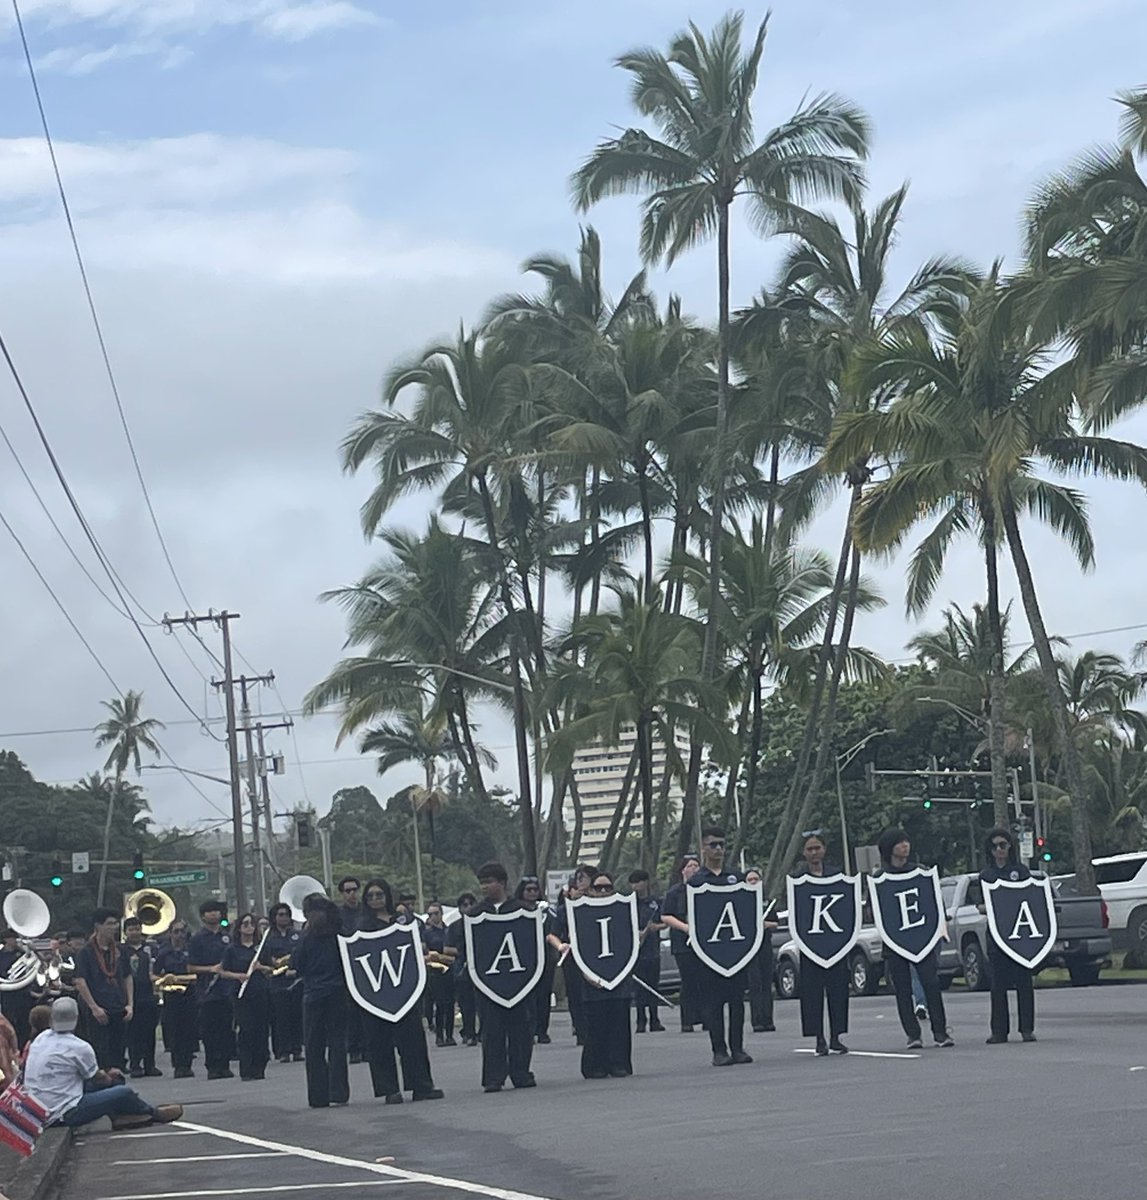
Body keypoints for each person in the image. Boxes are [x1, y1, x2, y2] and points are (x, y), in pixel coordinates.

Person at [23, 998, 182, 1131]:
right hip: (64, 1113)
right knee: (121, 1089)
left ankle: (122, 1117)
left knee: (109, 1086)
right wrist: (110, 1076)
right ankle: (152, 1113)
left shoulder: (41, 1039)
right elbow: (100, 1080)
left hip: (36, 1111)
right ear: (77, 1019)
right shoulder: (79, 1047)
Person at [357, 879, 444, 1103]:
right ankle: (389, 1089)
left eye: (379, 895)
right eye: (370, 896)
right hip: (376, 990)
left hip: (404, 988)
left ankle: (421, 1085)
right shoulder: (362, 927)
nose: (375, 899)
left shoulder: (402, 923)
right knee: (379, 1041)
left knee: (413, 1039)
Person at [876, 828, 953, 1049]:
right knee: (902, 989)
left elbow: (933, 902)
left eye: (906, 842)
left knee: (931, 983)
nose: (905, 846)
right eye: (899, 843)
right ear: (890, 848)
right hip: (895, 942)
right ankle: (913, 1034)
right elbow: (876, 911)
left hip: (922, 938)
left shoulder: (920, 873)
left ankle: (940, 1032)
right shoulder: (880, 878)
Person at [552, 872, 634, 1079]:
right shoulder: (579, 911)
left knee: (619, 1021)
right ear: (591, 890)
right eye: (599, 888)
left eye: (608, 887)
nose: (604, 891)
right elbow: (563, 939)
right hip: (589, 975)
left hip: (618, 972)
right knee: (595, 1023)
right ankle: (595, 1065)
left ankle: (619, 1063)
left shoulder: (622, 909)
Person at [687, 828, 753, 1067]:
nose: (718, 849)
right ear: (703, 848)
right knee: (713, 1005)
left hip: (736, 951)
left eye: (721, 845)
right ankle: (719, 1050)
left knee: (737, 1003)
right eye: (713, 845)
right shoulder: (696, 882)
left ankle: (737, 1048)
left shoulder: (736, 878)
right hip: (709, 953)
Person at [469, 863, 536, 1093]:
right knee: (492, 1030)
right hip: (488, 982)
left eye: (489, 882)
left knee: (521, 1030)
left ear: (502, 883)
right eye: (482, 883)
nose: (485, 887)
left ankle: (521, 1072)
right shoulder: (475, 915)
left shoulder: (523, 911)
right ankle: (493, 1077)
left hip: (519, 980)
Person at [790, 835, 849, 1055]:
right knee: (812, 993)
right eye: (810, 849)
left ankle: (836, 1036)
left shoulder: (836, 876)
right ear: (804, 853)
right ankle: (819, 1038)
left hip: (835, 941)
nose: (814, 852)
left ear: (824, 850)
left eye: (817, 848)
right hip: (810, 944)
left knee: (838, 990)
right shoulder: (798, 879)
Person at [980, 827, 1038, 1044]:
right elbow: (982, 905)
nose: (999, 850)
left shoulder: (1021, 871)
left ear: (1010, 847)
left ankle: (1026, 1029)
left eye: (1003, 845)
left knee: (1024, 982)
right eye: (994, 846)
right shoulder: (986, 875)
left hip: (1020, 935)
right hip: (997, 936)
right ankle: (999, 1031)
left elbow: (1030, 899)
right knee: (998, 985)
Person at [291, 896, 350, 1108]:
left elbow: (298, 964)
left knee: (314, 1044)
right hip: (337, 990)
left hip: (314, 992)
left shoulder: (306, 936)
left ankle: (318, 1095)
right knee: (337, 1042)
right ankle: (339, 1091)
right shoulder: (339, 932)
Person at [73, 909, 133, 1070]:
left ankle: (118, 1083)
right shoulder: (86, 952)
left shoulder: (120, 950)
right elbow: (80, 981)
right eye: (109, 924)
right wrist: (94, 1007)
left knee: (118, 1050)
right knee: (100, 1050)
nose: (114, 927)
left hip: (118, 1005)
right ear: (98, 926)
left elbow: (127, 977)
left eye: (115, 924)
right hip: (98, 1007)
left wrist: (130, 1004)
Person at [220, 913, 272, 1081]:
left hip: (260, 992)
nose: (250, 927)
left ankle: (260, 1067)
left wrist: (260, 967)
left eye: (252, 924)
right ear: (240, 927)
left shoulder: (261, 947)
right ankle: (247, 1068)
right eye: (246, 923)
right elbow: (222, 971)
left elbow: (271, 970)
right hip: (241, 995)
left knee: (261, 1030)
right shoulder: (232, 950)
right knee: (247, 1030)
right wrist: (238, 976)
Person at [188, 900, 236, 1079]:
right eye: (209, 912)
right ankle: (213, 1066)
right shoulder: (197, 939)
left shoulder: (228, 937)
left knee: (226, 1029)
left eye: (216, 911)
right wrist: (210, 969)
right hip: (207, 992)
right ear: (203, 916)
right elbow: (190, 967)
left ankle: (224, 1064)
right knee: (210, 1031)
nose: (214, 914)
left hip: (226, 990)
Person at [661, 855, 703, 1033]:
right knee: (688, 980)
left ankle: (706, 1017)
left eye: (696, 865)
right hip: (682, 941)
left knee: (704, 980)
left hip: (703, 941)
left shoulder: (704, 889)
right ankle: (687, 1020)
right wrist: (686, 928)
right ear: (683, 870)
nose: (694, 869)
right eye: (690, 866)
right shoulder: (674, 892)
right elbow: (666, 916)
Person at [153, 920, 198, 1078]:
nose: (179, 935)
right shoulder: (163, 952)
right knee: (175, 1030)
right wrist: (164, 979)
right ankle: (178, 1064)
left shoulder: (191, 951)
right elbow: (154, 973)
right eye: (176, 931)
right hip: (172, 994)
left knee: (189, 1029)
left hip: (190, 992)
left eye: (182, 931)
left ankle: (187, 1063)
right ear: (170, 933)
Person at [514, 877, 555, 1044]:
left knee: (543, 996)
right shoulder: (515, 911)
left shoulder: (546, 912)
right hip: (523, 960)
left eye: (534, 890)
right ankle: (528, 1030)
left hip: (545, 958)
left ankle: (542, 1030)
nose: (532, 893)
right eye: (528, 890)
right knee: (526, 997)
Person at [559, 865, 596, 1045]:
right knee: (575, 995)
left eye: (585, 879)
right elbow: (553, 934)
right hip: (571, 956)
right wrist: (561, 946)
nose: (581, 883)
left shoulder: (599, 905)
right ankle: (581, 1031)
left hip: (595, 955)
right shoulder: (564, 910)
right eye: (578, 879)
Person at [121, 917, 161, 1079]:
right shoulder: (121, 950)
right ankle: (135, 1064)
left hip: (148, 995)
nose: (134, 932)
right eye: (131, 929)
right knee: (133, 1033)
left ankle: (150, 1064)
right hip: (129, 997)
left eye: (137, 929)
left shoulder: (150, 949)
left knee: (149, 1031)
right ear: (125, 932)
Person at [265, 903, 304, 1064]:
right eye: (280, 915)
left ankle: (297, 1049)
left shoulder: (296, 935)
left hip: (295, 981)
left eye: (286, 914)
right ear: (274, 917)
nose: (284, 918)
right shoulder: (268, 937)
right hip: (277, 983)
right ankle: (283, 1050)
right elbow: (266, 959)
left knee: (297, 1016)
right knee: (281, 1018)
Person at [628, 870, 665, 1034]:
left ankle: (655, 1019)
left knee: (653, 986)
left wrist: (654, 928)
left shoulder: (655, 902)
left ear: (646, 883)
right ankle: (641, 1021)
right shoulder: (628, 903)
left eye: (639, 882)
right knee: (639, 988)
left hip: (653, 949)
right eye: (633, 883)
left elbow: (665, 921)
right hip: (636, 952)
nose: (636, 886)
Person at [744, 867, 779, 1035]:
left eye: (755, 879)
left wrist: (765, 924)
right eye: (749, 880)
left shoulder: (767, 902)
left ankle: (768, 1019)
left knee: (766, 983)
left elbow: (775, 923)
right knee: (755, 985)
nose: (753, 882)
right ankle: (757, 1020)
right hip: (750, 948)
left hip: (765, 945)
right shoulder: (741, 901)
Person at [337, 877, 365, 1064]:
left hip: (367, 965)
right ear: (342, 894)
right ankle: (354, 1048)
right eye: (347, 891)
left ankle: (369, 1047)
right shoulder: (337, 915)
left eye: (354, 889)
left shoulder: (366, 911)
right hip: (346, 967)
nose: (352, 894)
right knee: (351, 1011)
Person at [423, 901, 457, 1048]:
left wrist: (442, 957)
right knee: (439, 1005)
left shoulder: (449, 931)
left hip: (449, 970)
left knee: (450, 1005)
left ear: (441, 914)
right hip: (434, 972)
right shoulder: (426, 933)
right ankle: (439, 1035)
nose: (432, 917)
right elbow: (425, 953)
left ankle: (449, 1035)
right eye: (430, 914)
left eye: (435, 913)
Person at [447, 893, 479, 1046]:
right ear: (459, 909)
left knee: (480, 1004)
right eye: (464, 905)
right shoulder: (454, 927)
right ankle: (469, 1032)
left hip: (480, 969)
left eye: (471, 904)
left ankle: (482, 1033)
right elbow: (447, 948)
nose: (468, 908)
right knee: (466, 1005)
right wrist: (462, 952)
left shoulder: (481, 924)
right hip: (462, 970)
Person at [0, 928, 34, 1049]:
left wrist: (32, 951)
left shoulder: (23, 953)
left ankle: (23, 1045)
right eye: (12, 938)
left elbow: (33, 966)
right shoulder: (1, 954)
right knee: (8, 1020)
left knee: (24, 1021)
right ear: (6, 940)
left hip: (23, 992)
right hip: (6, 993)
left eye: (15, 938)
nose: (15, 940)